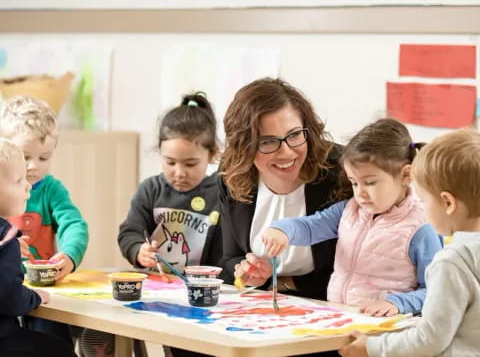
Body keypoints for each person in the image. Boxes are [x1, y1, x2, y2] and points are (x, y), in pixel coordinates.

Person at [262, 118, 443, 317]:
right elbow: (311, 227)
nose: (360, 193)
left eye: (370, 183)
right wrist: (282, 230)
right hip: (342, 319)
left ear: (406, 175)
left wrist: (398, 304)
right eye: (354, 183)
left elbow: (437, 290)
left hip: (386, 331)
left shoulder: (420, 228)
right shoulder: (349, 210)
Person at [339, 129, 480, 357]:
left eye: (423, 200)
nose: (421, 208)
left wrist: (371, 347)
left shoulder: (453, 261)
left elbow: (430, 339)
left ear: (447, 202)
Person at [219, 77, 351, 301]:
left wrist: (281, 283)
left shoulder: (342, 170)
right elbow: (230, 257)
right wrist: (246, 272)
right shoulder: (232, 177)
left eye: (294, 135)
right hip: (262, 304)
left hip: (330, 303)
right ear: (245, 147)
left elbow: (360, 267)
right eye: (268, 142)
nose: (287, 152)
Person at [118, 92, 222, 357]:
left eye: (190, 163)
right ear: (160, 153)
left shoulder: (221, 191)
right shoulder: (151, 189)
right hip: (160, 290)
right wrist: (138, 251)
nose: (179, 172)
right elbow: (129, 230)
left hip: (203, 295)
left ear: (213, 154)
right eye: (170, 162)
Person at [0, 95, 89, 349]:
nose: (33, 167)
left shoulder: (52, 189)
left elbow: (74, 224)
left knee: (51, 336)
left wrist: (69, 255)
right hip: (10, 290)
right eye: (24, 156)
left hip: (42, 285)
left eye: (44, 157)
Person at [0, 138, 75, 357]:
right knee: (60, 349)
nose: (28, 185)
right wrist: (35, 296)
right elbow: (9, 297)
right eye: (18, 180)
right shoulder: (6, 237)